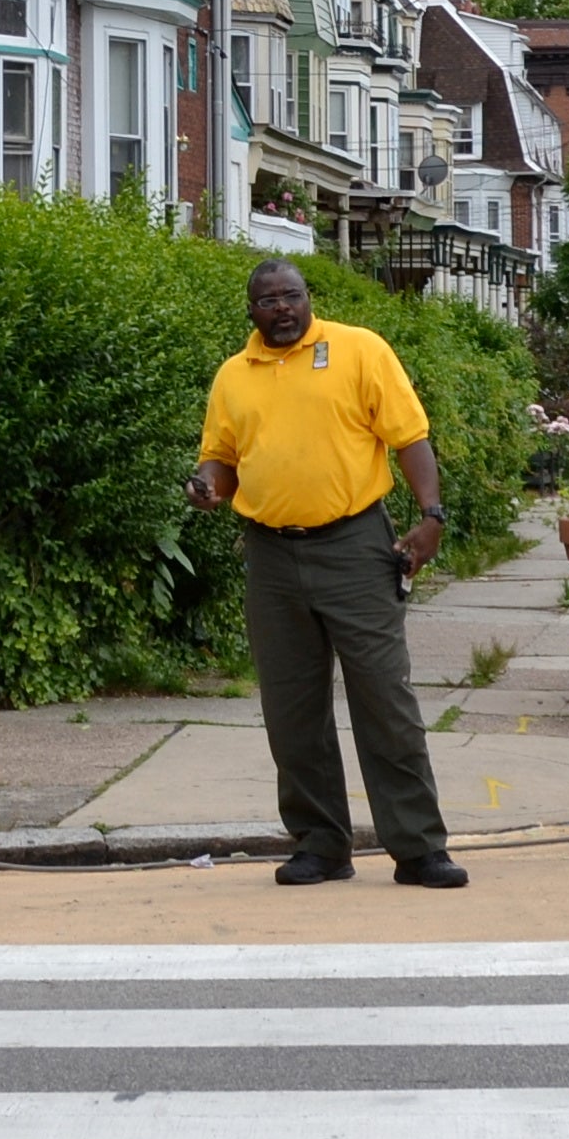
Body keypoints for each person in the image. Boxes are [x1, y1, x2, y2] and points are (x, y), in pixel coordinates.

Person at [191, 258, 463, 888]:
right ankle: (321, 845)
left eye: (292, 295)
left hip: (353, 546)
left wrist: (431, 517)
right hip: (271, 556)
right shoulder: (235, 375)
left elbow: (411, 438)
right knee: (291, 709)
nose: (282, 307)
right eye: (268, 300)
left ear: (309, 299)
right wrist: (206, 486)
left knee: (384, 698)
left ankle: (419, 847)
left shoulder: (359, 350)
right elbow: (222, 460)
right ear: (251, 311)